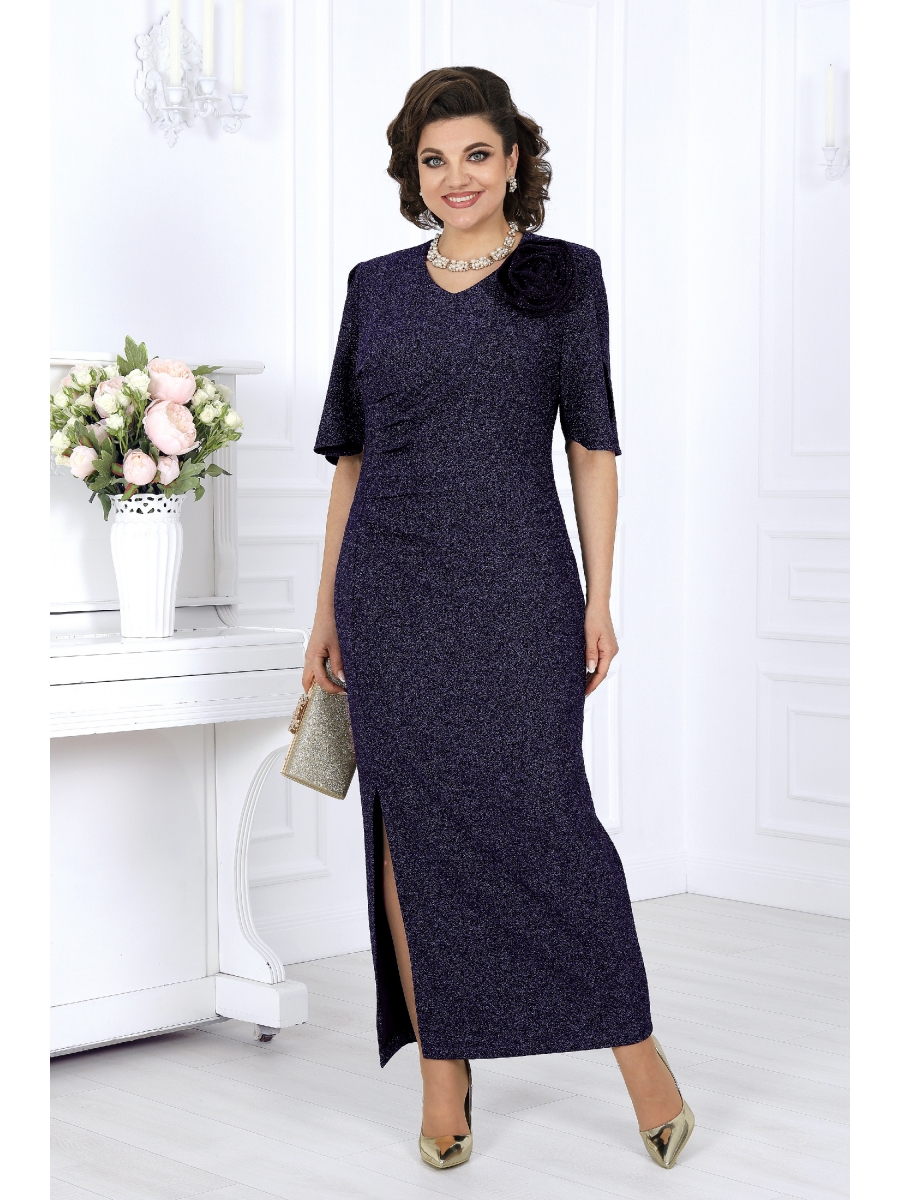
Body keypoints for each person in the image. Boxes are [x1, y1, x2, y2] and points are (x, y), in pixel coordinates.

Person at [303, 66, 695, 1172]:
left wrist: (599, 596)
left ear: (516, 158)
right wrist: (324, 610)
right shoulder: (376, 287)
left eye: (477, 154)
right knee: (410, 829)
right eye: (434, 160)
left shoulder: (565, 276)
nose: (456, 178)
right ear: (412, 174)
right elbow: (351, 463)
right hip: (388, 592)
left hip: (519, 587)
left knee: (549, 818)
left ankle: (638, 1053)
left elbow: (592, 447)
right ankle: (444, 1070)